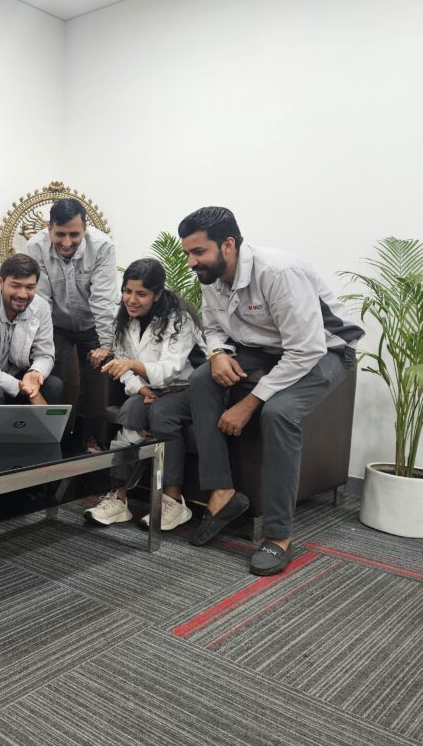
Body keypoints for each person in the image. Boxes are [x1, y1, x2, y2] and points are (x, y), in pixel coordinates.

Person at [179, 206, 363, 575]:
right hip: (264, 347)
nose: (191, 262)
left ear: (228, 244)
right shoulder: (211, 275)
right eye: (188, 253)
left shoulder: (279, 273)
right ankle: (222, 492)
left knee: (279, 413)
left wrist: (249, 403)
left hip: (326, 350)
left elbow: (306, 349)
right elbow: (212, 327)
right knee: (201, 379)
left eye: (198, 252)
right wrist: (217, 353)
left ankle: (278, 537)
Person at [84, 258, 201, 532]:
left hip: (188, 389)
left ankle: (173, 500)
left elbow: (171, 369)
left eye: (141, 294)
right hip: (152, 388)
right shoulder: (124, 319)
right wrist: (141, 388)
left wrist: (133, 366)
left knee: (162, 413)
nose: (131, 300)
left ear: (157, 294)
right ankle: (119, 498)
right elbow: (122, 365)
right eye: (127, 291)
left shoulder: (179, 319)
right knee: (131, 410)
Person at [26, 199, 119, 407]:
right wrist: (42, 342)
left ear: (85, 228)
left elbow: (103, 300)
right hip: (56, 325)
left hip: (94, 325)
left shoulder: (103, 246)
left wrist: (106, 345)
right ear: (49, 228)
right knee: (54, 382)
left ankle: (92, 428)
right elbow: (41, 301)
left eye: (74, 234)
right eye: (60, 234)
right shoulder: (35, 247)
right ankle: (53, 426)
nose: (67, 242)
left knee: (98, 384)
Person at [0, 253, 63, 405]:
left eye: (30, 287)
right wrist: (24, 388)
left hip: (19, 375)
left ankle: (44, 422)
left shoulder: (40, 307)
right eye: (15, 286)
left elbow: (45, 354)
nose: (23, 294)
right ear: (0, 282)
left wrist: (35, 372)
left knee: (54, 385)